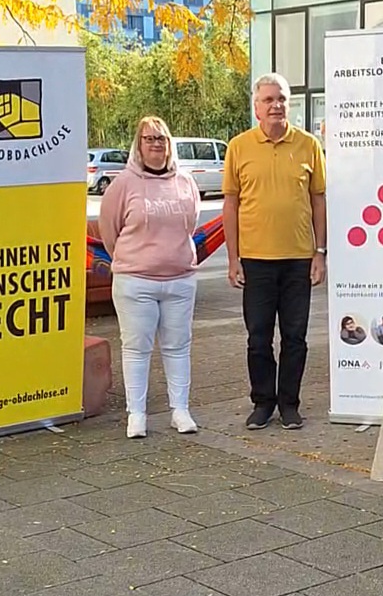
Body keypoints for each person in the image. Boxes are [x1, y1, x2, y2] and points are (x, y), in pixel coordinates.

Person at [223, 73, 326, 431]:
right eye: (268, 100)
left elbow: (318, 199)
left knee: (296, 337)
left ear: (289, 103)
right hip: (255, 260)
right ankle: (263, 402)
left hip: (298, 258)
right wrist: (233, 258)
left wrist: (320, 251)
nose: (276, 105)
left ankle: (290, 404)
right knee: (258, 338)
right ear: (256, 107)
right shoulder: (239, 147)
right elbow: (231, 204)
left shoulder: (309, 145)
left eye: (281, 98)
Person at [99, 116, 201, 439]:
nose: (156, 144)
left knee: (178, 346)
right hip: (135, 281)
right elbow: (109, 231)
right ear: (138, 145)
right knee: (136, 347)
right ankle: (137, 414)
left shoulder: (185, 182)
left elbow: (191, 224)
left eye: (162, 138)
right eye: (149, 139)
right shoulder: (123, 184)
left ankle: (180, 410)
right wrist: (136, 258)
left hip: (180, 280)